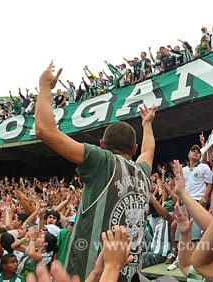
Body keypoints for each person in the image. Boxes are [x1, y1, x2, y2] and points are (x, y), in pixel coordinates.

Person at [35, 62, 157, 281]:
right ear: (134, 149)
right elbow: (149, 150)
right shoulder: (143, 171)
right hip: (129, 273)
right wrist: (147, 124)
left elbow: (45, 130)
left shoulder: (102, 161)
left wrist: (44, 88)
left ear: (101, 144)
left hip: (91, 273)